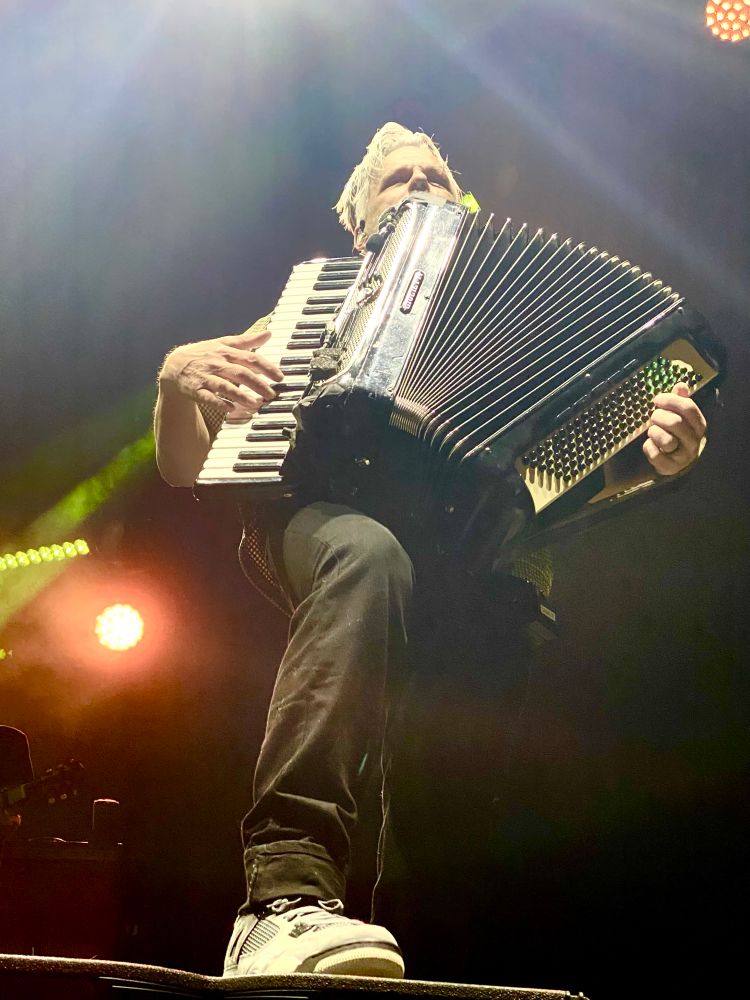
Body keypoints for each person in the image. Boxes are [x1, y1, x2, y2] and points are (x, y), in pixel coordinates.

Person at [153, 123, 709, 979]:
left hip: (468, 565)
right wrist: (174, 380)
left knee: (468, 747)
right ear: (358, 221)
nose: (417, 185)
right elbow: (193, 471)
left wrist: (656, 458)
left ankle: (415, 949)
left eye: (435, 175)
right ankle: (280, 900)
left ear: (463, 200)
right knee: (369, 556)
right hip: (321, 523)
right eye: (395, 179)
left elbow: (565, 480)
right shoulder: (311, 307)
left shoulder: (529, 310)